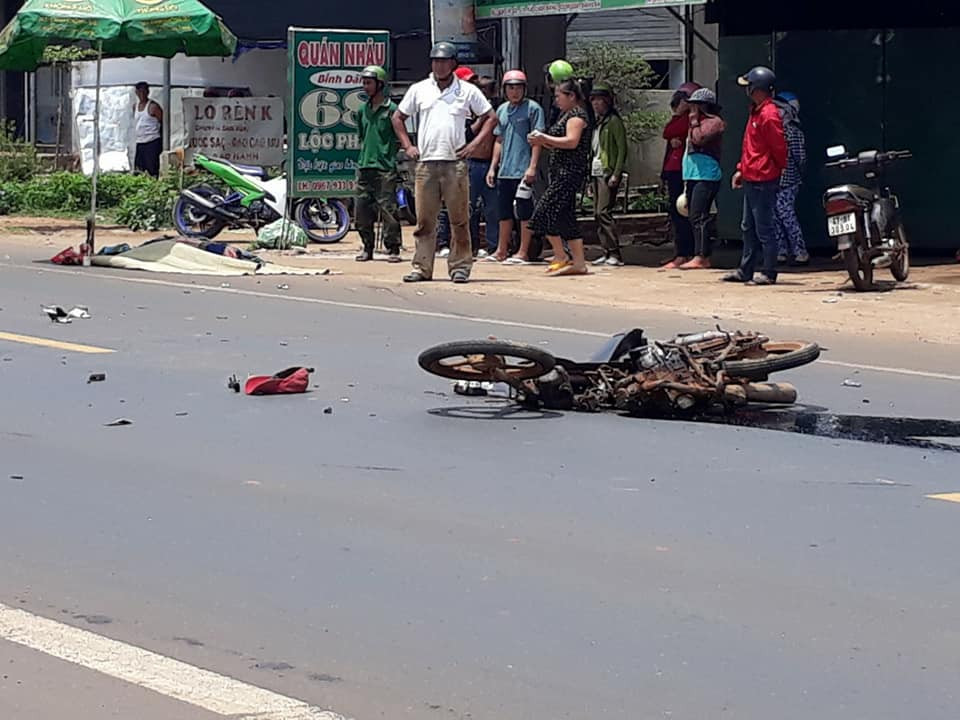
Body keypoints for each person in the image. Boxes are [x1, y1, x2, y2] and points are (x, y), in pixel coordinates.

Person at [392, 41, 497, 284]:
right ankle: (422, 267)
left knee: (459, 219)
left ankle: (460, 267)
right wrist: (408, 146)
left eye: (443, 61)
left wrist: (473, 145)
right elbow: (398, 117)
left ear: (453, 64)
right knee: (424, 221)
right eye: (435, 61)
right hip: (426, 162)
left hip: (454, 163)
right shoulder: (419, 89)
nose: (439, 66)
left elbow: (490, 117)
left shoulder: (467, 91)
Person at [724, 66, 788, 286]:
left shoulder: (768, 115)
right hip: (752, 176)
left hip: (763, 179)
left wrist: (773, 170)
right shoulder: (756, 112)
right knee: (748, 227)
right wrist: (742, 169)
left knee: (764, 228)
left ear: (757, 88)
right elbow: (750, 147)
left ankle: (769, 272)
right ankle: (746, 270)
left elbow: (778, 148)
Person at [527, 78, 593, 276]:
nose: (556, 100)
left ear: (571, 96)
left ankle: (561, 255)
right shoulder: (566, 115)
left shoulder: (577, 115)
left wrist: (544, 138)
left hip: (569, 173)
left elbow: (572, 142)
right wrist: (542, 141)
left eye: (558, 96)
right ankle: (578, 262)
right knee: (565, 217)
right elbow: (559, 143)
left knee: (543, 212)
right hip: (559, 172)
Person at [485, 70, 545, 263]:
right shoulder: (502, 110)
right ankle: (501, 250)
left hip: (523, 170)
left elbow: (537, 140)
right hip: (505, 171)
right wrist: (493, 167)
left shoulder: (533, 109)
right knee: (504, 212)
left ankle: (523, 251)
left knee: (524, 212)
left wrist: (532, 167)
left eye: (518, 88)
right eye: (511, 88)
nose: (515, 92)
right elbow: (499, 140)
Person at [354, 65, 401, 263]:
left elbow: (399, 137)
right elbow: (361, 135)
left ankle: (393, 248)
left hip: (385, 167)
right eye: (364, 83)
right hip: (365, 165)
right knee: (361, 210)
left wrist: (388, 155)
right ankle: (367, 247)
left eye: (369, 83)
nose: (365, 87)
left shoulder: (392, 110)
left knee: (388, 209)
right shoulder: (362, 110)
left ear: (380, 84)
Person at [679, 87, 726, 270]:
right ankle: (697, 253)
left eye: (695, 106)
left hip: (706, 175)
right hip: (693, 174)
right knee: (692, 215)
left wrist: (694, 121)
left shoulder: (714, 122)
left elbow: (699, 139)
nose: (691, 110)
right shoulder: (696, 123)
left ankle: (702, 255)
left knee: (699, 216)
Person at [661, 82, 700, 268]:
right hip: (673, 168)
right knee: (676, 213)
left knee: (684, 212)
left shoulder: (691, 119)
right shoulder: (679, 118)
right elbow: (667, 132)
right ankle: (681, 252)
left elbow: (670, 131)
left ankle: (687, 252)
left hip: (684, 170)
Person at [588, 85, 628, 267]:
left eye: (600, 100)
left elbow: (622, 149)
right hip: (596, 171)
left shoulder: (614, 122)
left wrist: (616, 173)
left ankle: (614, 252)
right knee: (596, 213)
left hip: (608, 171)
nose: (596, 104)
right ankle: (606, 251)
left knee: (603, 211)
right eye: (593, 100)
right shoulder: (598, 123)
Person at [773, 90, 809, 265]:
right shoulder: (774, 130)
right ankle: (781, 251)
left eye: (780, 109)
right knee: (774, 216)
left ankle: (800, 251)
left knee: (786, 214)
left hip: (789, 181)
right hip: (773, 180)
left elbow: (800, 157)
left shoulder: (793, 132)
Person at [467, 75, 500, 258]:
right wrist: (481, 118)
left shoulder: (498, 111)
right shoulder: (469, 111)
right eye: (481, 89)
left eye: (488, 89)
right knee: (470, 207)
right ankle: (471, 246)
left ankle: (493, 246)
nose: (484, 93)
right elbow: (468, 134)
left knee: (492, 208)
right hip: (472, 163)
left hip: (490, 164)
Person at [133, 82, 163, 177]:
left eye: (144, 91)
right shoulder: (135, 106)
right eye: (139, 92)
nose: (142, 94)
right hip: (140, 141)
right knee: (139, 169)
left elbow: (163, 122)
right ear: (136, 93)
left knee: (152, 169)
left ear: (148, 92)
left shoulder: (153, 106)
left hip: (152, 141)